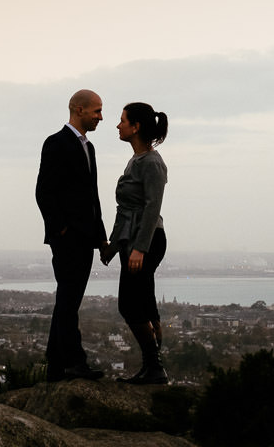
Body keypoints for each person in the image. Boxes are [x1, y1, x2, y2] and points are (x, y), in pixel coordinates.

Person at [35, 89, 109, 381]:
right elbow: (44, 192)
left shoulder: (88, 148)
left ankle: (56, 364)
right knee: (68, 299)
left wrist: (100, 238)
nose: (101, 117)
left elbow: (93, 197)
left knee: (68, 299)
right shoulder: (56, 143)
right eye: (96, 111)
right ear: (79, 110)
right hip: (68, 238)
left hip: (85, 238)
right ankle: (73, 361)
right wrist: (60, 230)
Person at [107, 102, 169, 384]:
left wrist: (139, 248)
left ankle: (154, 367)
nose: (118, 125)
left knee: (129, 305)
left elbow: (152, 208)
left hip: (146, 239)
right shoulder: (136, 160)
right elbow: (128, 210)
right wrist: (114, 244)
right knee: (140, 300)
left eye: (122, 121)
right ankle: (150, 367)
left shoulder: (153, 163)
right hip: (132, 239)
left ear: (136, 127)